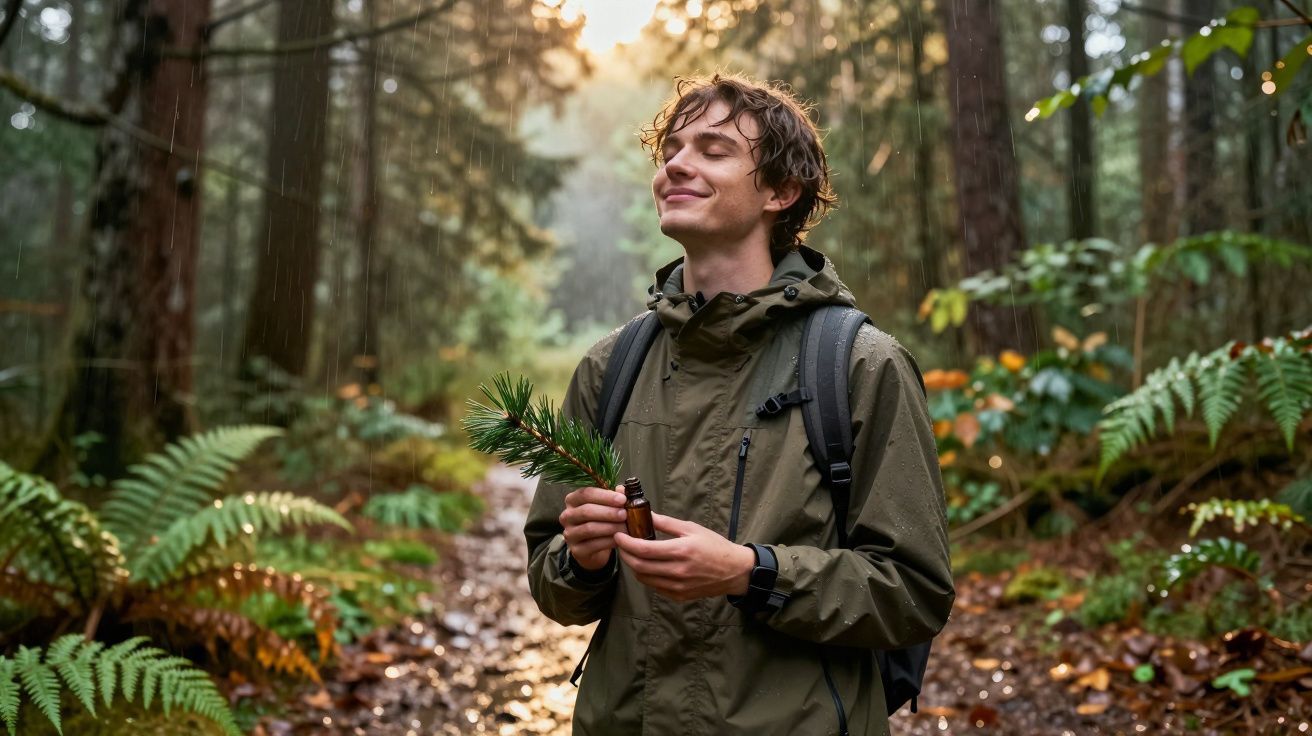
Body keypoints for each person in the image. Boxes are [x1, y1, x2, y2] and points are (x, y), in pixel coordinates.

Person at [524, 72, 954, 736]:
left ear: (780, 192)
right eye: (671, 148)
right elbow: (554, 588)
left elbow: (912, 592)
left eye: (713, 150)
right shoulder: (611, 368)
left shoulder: (861, 367)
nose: (677, 165)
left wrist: (752, 574)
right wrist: (582, 560)